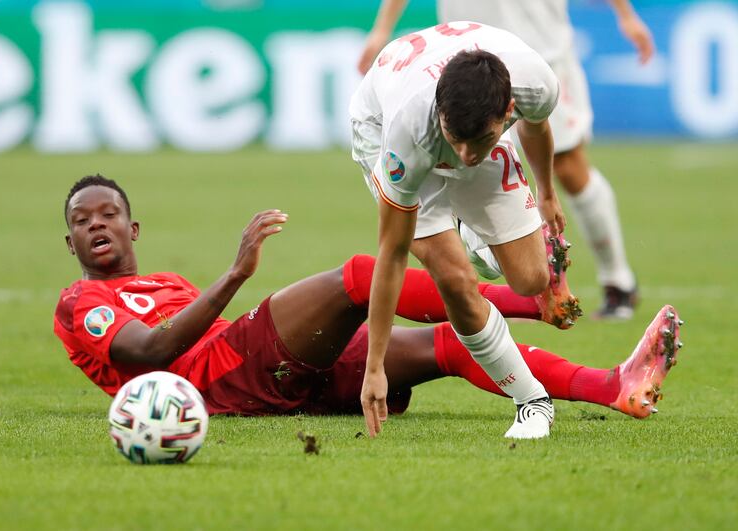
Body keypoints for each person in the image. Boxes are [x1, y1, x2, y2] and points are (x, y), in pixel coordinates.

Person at [54, 176, 682, 438]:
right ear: (71, 242)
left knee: (454, 346)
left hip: (256, 370)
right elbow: (150, 352)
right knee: (359, 275)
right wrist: (235, 276)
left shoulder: (163, 279)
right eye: (83, 221)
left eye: (109, 214)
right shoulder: (80, 300)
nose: (97, 224)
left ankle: (614, 386)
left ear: (134, 229)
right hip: (219, 377)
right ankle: (534, 299)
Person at [349, 22, 578, 438]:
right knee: (455, 279)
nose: (467, 157)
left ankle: (472, 238)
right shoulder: (407, 135)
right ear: (441, 113)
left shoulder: (534, 83)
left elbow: (537, 126)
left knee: (531, 280)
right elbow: (393, 251)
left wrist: (547, 192)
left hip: (462, 118)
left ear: (507, 111)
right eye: (457, 140)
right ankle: (532, 401)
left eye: (481, 140)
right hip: (386, 128)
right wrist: (375, 364)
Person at [357, 0, 654, 320]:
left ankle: (617, 280)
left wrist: (625, 14)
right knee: (458, 153)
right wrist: (382, 29)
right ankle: (478, 229)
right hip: (461, 66)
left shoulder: (536, 76)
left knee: (566, 165)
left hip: (540, 49)